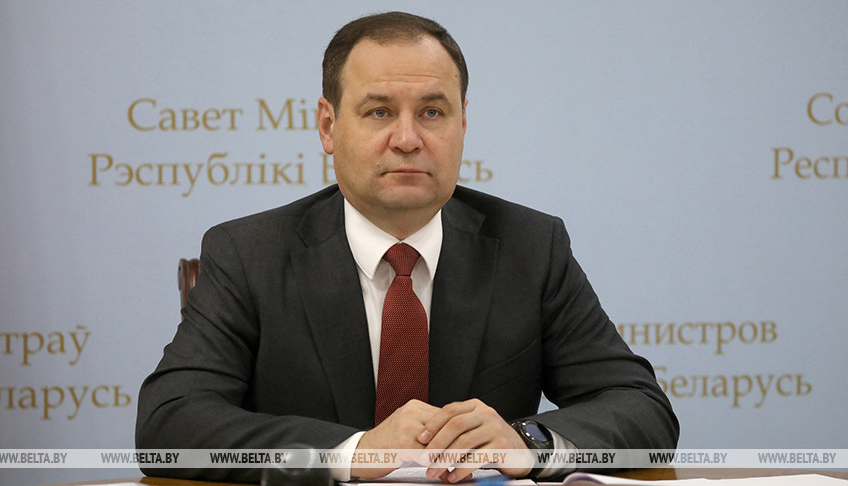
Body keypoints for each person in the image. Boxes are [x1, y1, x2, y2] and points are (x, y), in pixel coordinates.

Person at [136, 11, 679, 484]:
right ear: (327, 126)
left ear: (463, 123)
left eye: (432, 112)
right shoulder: (248, 253)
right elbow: (169, 422)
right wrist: (351, 452)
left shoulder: (530, 247)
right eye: (378, 112)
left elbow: (642, 408)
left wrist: (527, 443)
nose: (407, 138)